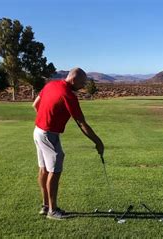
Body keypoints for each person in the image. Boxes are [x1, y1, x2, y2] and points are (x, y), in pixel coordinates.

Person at [32, 67, 104, 220]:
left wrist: (46, 117)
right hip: (48, 134)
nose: (83, 86)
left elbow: (35, 104)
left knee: (44, 168)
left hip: (38, 130)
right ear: (73, 80)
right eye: (82, 82)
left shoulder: (50, 85)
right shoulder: (69, 95)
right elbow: (81, 123)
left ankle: (45, 206)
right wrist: (98, 142)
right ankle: (52, 210)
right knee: (55, 169)